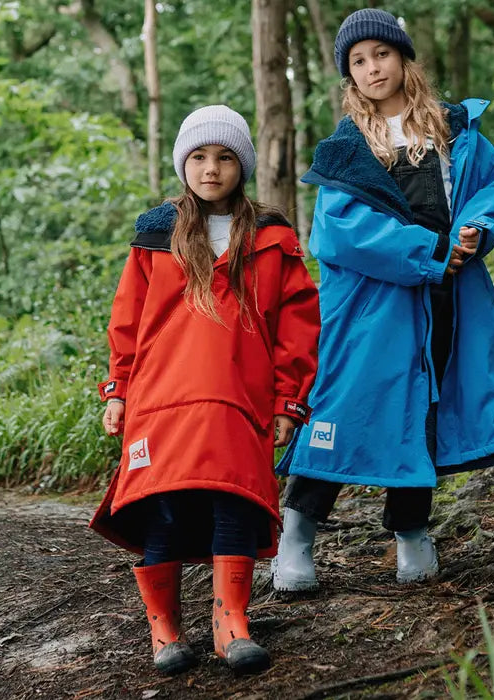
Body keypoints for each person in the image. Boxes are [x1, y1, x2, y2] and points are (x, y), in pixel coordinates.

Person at [272, 9, 494, 592]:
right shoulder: (346, 148)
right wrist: (432, 251)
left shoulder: (451, 131)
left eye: (381, 55)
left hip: (442, 298)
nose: (372, 69)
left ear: (403, 58)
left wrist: (474, 231)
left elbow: (489, 189)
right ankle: (297, 534)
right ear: (349, 77)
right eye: (358, 62)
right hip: (370, 306)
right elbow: (340, 233)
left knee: (422, 407)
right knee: (340, 408)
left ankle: (412, 533)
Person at [90, 106, 320, 675]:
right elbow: (127, 319)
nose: (211, 169)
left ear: (242, 165)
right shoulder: (154, 234)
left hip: (238, 396)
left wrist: (289, 399)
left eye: (224, 157)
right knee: (161, 506)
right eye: (198, 157)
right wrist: (117, 389)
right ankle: (165, 631)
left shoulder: (272, 237)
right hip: (159, 396)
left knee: (233, 499)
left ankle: (230, 624)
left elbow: (297, 323)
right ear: (182, 165)